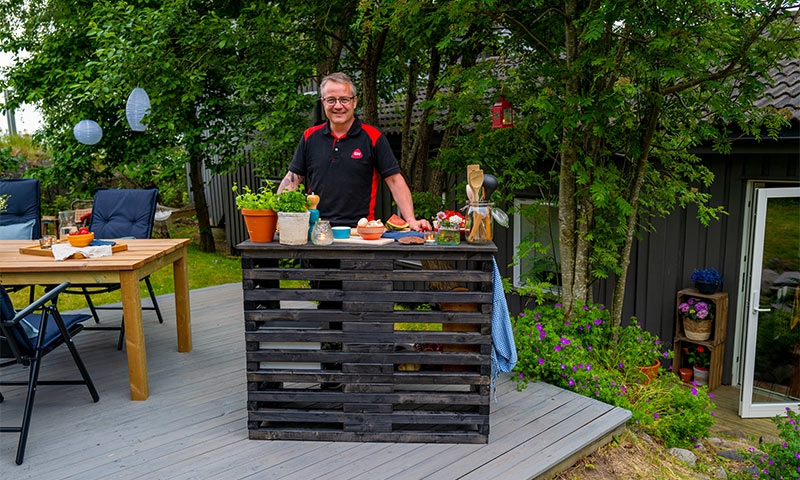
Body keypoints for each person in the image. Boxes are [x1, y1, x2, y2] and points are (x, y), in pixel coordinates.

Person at [277, 72, 431, 231]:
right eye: (331, 100)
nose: (338, 106)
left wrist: (411, 220)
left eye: (344, 99)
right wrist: (277, 215)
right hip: (317, 231)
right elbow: (292, 179)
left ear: (354, 102)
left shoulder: (373, 137)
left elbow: (394, 180)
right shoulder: (310, 137)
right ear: (323, 103)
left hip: (360, 232)